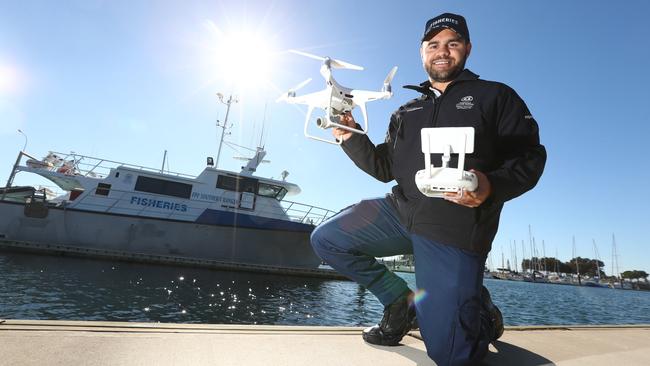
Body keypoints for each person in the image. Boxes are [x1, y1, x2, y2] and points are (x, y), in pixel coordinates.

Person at [310, 12, 546, 366]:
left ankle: (478, 310)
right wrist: (350, 136)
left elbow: (530, 157)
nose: (442, 51)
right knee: (326, 240)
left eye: (452, 43)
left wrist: (490, 185)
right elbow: (384, 167)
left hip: (455, 226)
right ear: (422, 52)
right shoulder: (407, 111)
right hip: (400, 212)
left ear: (466, 48)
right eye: (433, 45)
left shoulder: (496, 96)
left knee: (452, 357)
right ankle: (401, 304)